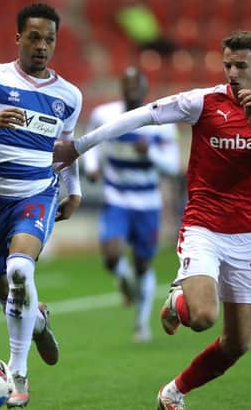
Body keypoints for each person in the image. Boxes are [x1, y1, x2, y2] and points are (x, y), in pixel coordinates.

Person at [53, 31, 251, 409]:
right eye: (227, 64)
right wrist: (80, 147)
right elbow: (140, 116)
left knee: (237, 345)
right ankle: (179, 299)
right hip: (204, 227)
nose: (232, 72)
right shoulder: (202, 102)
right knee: (201, 317)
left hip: (249, 236)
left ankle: (173, 393)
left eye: (241, 65)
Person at [0, 3, 83, 408]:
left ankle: (18, 373)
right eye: (35, 37)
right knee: (8, 292)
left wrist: (73, 190)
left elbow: (67, 150)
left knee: (20, 269)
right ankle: (37, 322)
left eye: (50, 39)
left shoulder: (69, 96)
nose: (43, 46)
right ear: (18, 38)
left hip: (36, 193)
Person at [83, 66, 180, 343]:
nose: (131, 91)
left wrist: (150, 152)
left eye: (136, 86)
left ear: (144, 89)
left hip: (148, 201)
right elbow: (89, 143)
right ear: (121, 88)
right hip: (117, 197)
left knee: (142, 265)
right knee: (112, 255)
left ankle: (141, 323)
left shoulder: (162, 120)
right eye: (127, 85)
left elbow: (172, 165)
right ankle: (124, 282)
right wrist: (92, 168)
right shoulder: (105, 115)